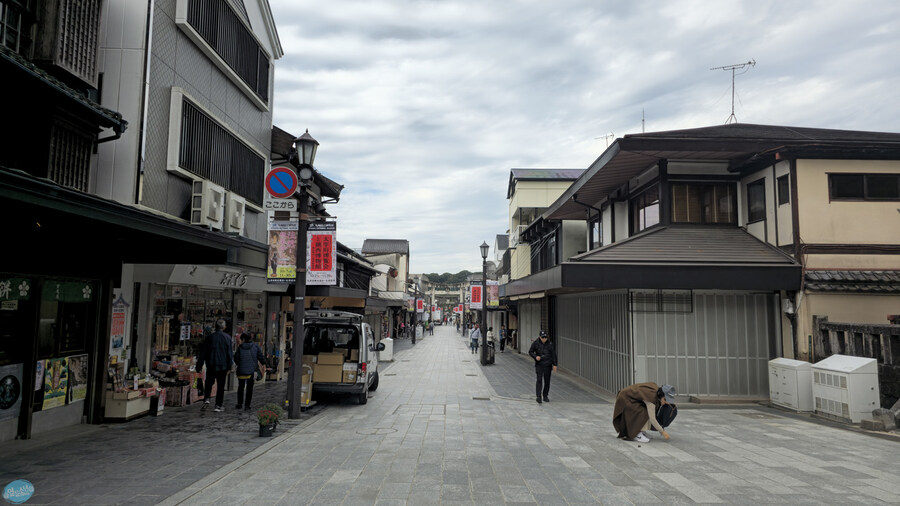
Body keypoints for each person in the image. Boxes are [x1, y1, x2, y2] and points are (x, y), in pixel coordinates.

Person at [612, 383, 677, 443]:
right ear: (660, 394)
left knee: (648, 410)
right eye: (665, 399)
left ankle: (641, 430)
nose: (666, 402)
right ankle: (636, 434)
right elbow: (652, 419)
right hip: (625, 399)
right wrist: (662, 432)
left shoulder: (657, 392)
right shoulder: (651, 397)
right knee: (644, 411)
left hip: (631, 398)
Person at [198, 319, 233, 412]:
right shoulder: (227, 338)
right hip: (222, 366)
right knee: (221, 386)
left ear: (215, 326)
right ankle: (218, 405)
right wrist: (230, 366)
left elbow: (203, 353)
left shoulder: (209, 337)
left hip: (211, 364)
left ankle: (207, 398)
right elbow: (229, 354)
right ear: (224, 327)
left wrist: (199, 365)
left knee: (209, 383)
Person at [234, 332, 265, 411]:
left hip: (241, 371)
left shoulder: (240, 347)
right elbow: (260, 356)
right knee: (249, 388)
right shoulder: (255, 346)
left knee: (241, 387)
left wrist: (240, 364)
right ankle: (247, 405)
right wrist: (264, 364)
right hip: (252, 371)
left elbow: (236, 359)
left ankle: (239, 403)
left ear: (244, 339)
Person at [528, 330, 557, 404]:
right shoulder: (536, 343)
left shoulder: (550, 344)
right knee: (539, 380)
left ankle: (545, 395)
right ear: (539, 337)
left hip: (548, 364)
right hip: (539, 364)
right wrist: (535, 357)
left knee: (547, 381)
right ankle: (538, 396)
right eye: (542, 337)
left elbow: (553, 354)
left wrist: (555, 364)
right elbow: (530, 352)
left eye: (545, 338)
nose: (544, 339)